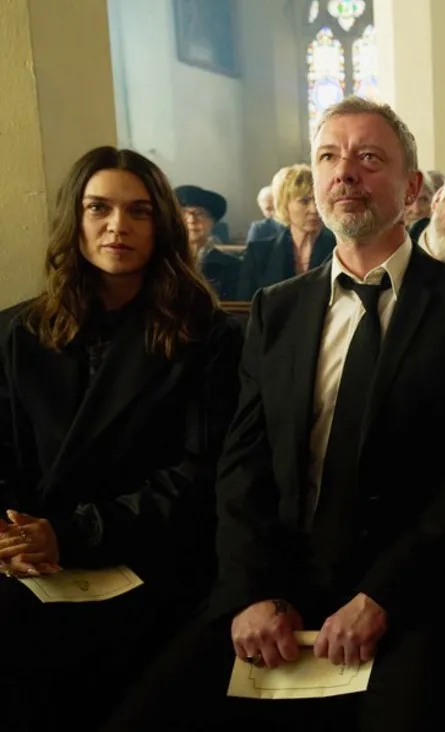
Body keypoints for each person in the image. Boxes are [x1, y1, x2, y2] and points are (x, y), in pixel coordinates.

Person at [103, 97, 445, 732]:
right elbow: (242, 465)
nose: (344, 172)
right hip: (280, 582)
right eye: (328, 157)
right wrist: (251, 591)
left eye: (368, 157)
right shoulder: (277, 308)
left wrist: (382, 596)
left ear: (411, 189)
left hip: (408, 590)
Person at [0, 146, 242, 731]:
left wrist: (69, 533)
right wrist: (11, 536)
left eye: (138, 211)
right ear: (75, 219)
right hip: (34, 562)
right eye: (98, 208)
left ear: (161, 225)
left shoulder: (205, 337)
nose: (117, 226)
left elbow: (198, 477)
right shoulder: (17, 333)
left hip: (147, 559)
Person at [236, 164, 336, 300]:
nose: (314, 209)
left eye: (318, 200)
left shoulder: (339, 249)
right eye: (304, 201)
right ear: (284, 205)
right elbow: (246, 306)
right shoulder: (259, 254)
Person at [176, 184, 241, 300]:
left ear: (213, 222)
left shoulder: (233, 266)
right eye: (184, 213)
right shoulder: (161, 262)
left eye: (199, 213)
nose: (191, 220)